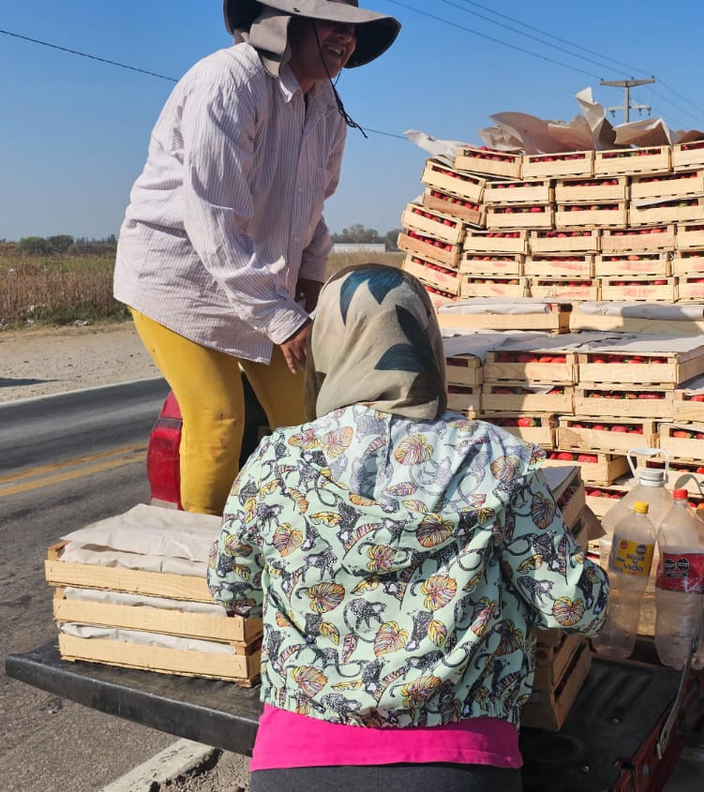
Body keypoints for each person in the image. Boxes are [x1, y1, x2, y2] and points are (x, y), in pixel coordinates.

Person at [208, 264, 609, 791]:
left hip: (299, 762)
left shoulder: (277, 460)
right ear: (424, 342)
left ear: (328, 348)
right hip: (461, 764)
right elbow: (570, 605)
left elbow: (231, 587)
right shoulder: (495, 458)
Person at [113, 0, 400, 515]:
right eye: (332, 25)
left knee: (310, 414)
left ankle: (302, 540)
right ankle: (206, 566)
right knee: (220, 419)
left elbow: (311, 206)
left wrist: (311, 282)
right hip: (180, 280)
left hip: (256, 282)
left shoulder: (327, 109)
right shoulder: (229, 82)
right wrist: (280, 318)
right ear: (288, 23)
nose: (346, 39)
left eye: (352, 30)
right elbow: (213, 215)